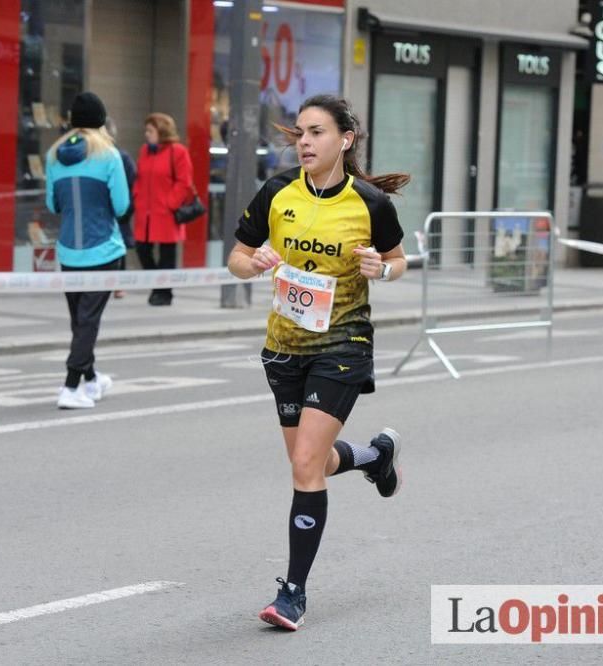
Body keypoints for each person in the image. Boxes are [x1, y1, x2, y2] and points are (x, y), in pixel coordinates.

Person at [227, 94, 409, 631]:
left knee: (305, 465)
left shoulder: (370, 203)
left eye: (316, 132)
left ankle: (293, 594)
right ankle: (375, 457)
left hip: (343, 346)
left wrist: (381, 269)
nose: (304, 142)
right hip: (284, 347)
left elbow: (398, 262)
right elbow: (237, 257)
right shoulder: (277, 191)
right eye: (299, 133)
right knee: (315, 463)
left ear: (344, 140)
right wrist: (253, 262)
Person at [45, 91, 128, 409]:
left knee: (80, 321)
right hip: (104, 250)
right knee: (88, 321)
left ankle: (92, 380)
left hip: (68, 251)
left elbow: (52, 203)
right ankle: (69, 387)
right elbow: (121, 206)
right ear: (101, 121)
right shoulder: (108, 156)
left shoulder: (54, 156)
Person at [133, 113, 194, 306]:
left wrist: (170, 203)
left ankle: (165, 293)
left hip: (166, 212)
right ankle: (157, 287)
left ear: (162, 131)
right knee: (142, 249)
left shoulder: (178, 151)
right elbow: (140, 177)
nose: (147, 134)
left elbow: (184, 182)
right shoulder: (145, 151)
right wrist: (136, 196)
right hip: (145, 211)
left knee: (167, 254)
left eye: (151, 130)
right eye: (147, 130)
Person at [106, 118, 137, 299]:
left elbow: (133, 185)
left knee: (119, 248)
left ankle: (119, 284)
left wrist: (126, 210)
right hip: (104, 211)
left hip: (118, 212)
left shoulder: (121, 158)